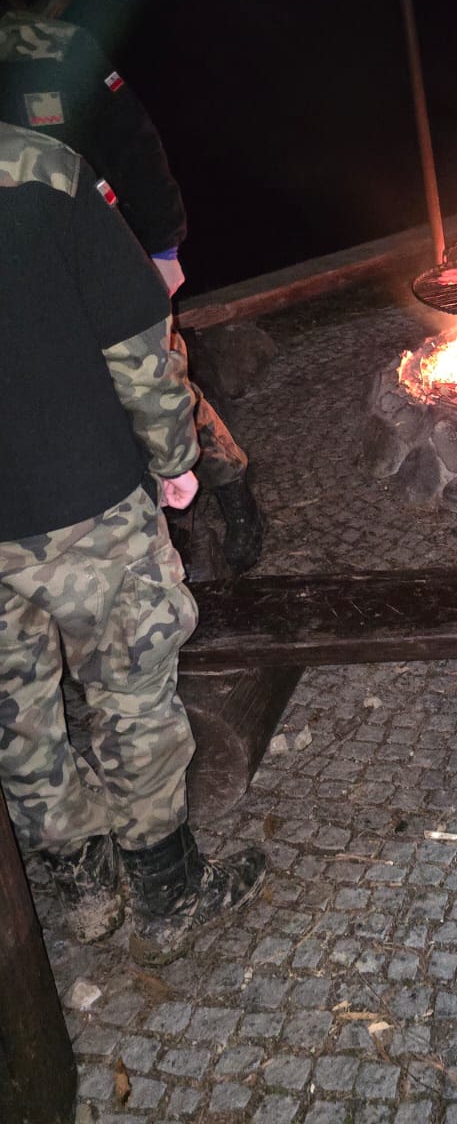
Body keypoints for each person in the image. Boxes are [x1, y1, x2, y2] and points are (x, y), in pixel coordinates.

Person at [0, 120, 265, 964]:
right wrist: (176, 457)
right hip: (87, 500)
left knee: (15, 714)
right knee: (131, 691)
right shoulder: (36, 169)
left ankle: (83, 890)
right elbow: (137, 339)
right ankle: (167, 892)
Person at [0, 4, 263, 571]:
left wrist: (164, 245)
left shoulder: (54, 46)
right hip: (25, 279)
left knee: (158, 379)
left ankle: (231, 484)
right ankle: (162, 524)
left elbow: (133, 142)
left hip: (113, 253)